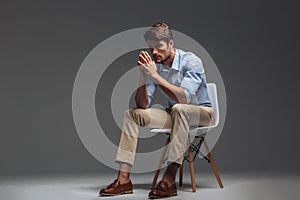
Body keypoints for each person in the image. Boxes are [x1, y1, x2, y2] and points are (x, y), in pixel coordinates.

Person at [98, 22, 214, 199]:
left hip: (202, 113)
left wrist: (155, 76)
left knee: (180, 108)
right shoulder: (155, 66)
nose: (154, 52)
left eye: (159, 46)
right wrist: (144, 77)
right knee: (132, 115)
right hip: (175, 112)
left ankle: (169, 179)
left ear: (170, 43)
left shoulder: (192, 61)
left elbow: (183, 98)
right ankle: (123, 180)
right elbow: (142, 105)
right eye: (151, 48)